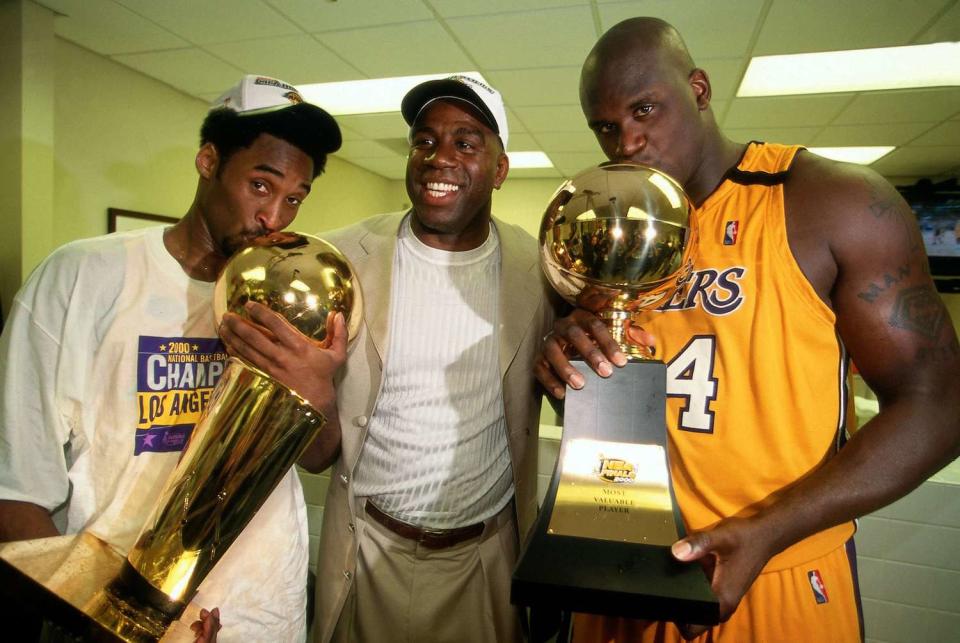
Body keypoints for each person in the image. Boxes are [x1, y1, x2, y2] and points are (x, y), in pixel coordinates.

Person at [536, 17, 960, 643]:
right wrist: (564, 364)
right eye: (606, 127)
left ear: (699, 89)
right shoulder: (602, 235)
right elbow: (598, 393)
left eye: (644, 110)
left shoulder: (827, 200)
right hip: (621, 571)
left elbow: (941, 403)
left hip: (775, 570)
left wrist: (768, 530)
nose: (627, 142)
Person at [0, 74, 346, 642]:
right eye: (261, 185)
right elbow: (18, 492)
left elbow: (317, 456)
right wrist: (108, 621)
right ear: (209, 161)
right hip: (112, 611)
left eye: (294, 199)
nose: (274, 218)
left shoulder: (290, 297)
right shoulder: (83, 277)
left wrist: (320, 391)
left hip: (262, 611)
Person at [306, 75, 558, 643]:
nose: (438, 157)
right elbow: (313, 449)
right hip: (367, 550)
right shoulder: (341, 259)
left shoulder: (540, 271)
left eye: (466, 143)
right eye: (424, 141)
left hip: (485, 561)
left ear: (499, 169)